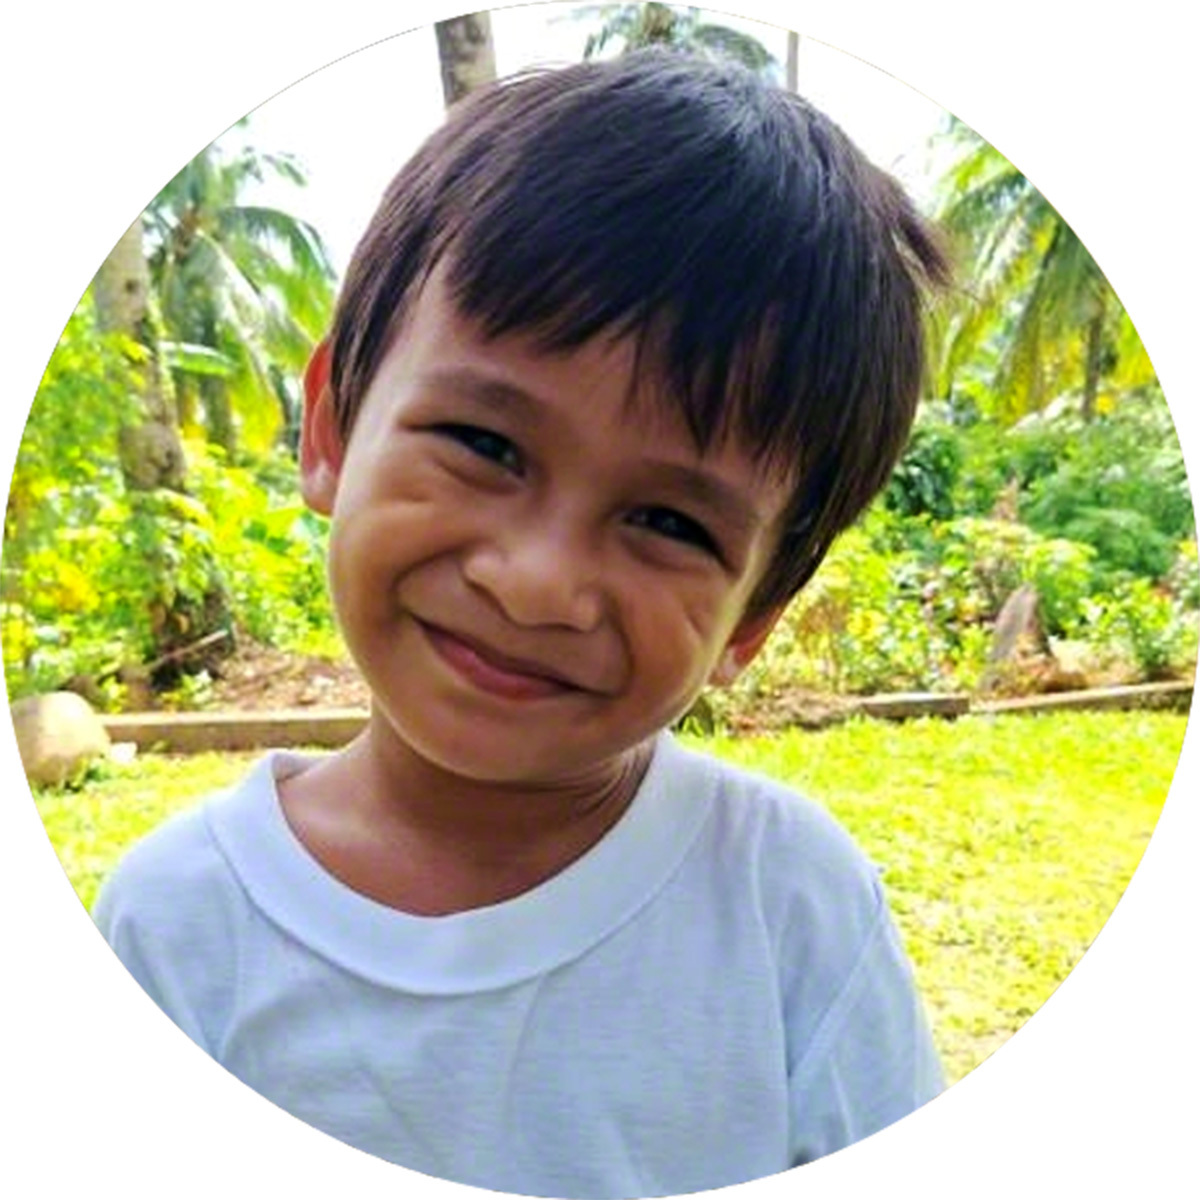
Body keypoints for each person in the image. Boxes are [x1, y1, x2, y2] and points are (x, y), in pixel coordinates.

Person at [95, 49, 950, 1198]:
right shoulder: (175, 928)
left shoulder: (790, 908)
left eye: (669, 522)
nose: (539, 584)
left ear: (755, 612)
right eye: (485, 445)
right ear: (332, 429)